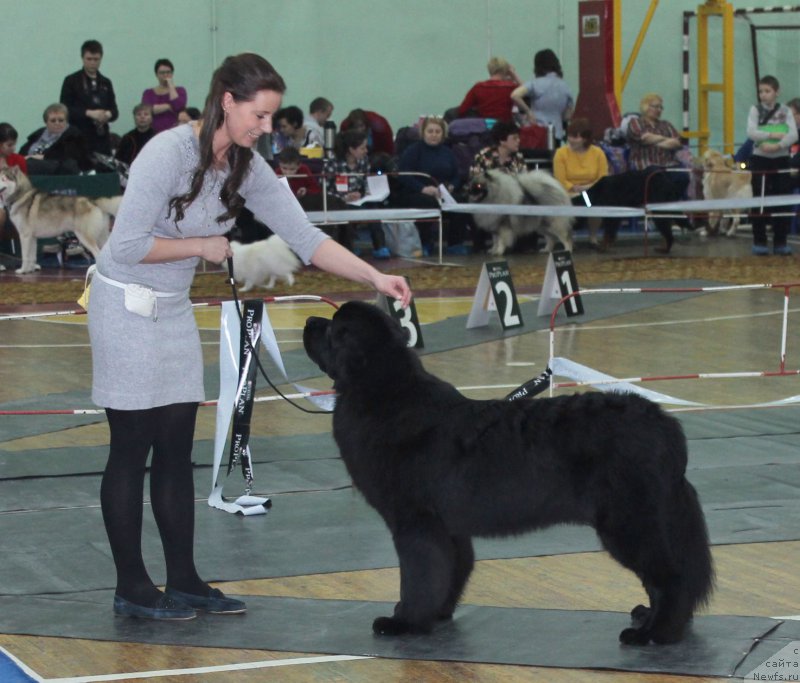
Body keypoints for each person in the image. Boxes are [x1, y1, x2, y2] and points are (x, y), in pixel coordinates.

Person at [87, 53, 410, 621]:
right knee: (131, 449)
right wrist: (202, 248)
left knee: (176, 452)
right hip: (123, 306)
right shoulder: (165, 153)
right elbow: (127, 245)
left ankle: (183, 580)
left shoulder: (247, 167)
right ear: (227, 102)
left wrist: (375, 276)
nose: (266, 128)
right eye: (259, 116)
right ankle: (132, 588)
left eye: (271, 117)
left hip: (172, 308)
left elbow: (305, 237)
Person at [626, 93, 690, 253]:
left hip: (667, 166)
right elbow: (643, 138)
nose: (659, 110)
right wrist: (664, 141)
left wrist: (655, 139)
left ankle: (667, 211)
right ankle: (673, 215)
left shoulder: (666, 125)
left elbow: (677, 143)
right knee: (656, 177)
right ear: (645, 106)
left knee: (683, 176)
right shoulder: (635, 123)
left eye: (661, 107)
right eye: (655, 106)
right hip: (645, 167)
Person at [396, 116, 466, 255]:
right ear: (423, 133)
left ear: (443, 134)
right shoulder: (413, 151)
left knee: (461, 202)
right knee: (427, 203)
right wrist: (423, 189)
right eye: (430, 131)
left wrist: (452, 186)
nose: (434, 135)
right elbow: (404, 175)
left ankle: (455, 243)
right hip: (417, 191)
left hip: (442, 192)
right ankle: (425, 243)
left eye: (437, 132)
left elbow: (457, 175)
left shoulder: (448, 153)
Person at [746, 75, 798, 255]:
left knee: (782, 199)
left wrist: (778, 145)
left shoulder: (785, 111)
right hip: (760, 159)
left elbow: (792, 134)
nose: (763, 95)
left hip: (781, 159)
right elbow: (751, 131)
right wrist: (771, 136)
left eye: (767, 91)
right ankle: (759, 240)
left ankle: (780, 241)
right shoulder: (755, 110)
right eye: (761, 91)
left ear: (777, 92)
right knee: (759, 199)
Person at [323, 129, 390, 258]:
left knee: (373, 210)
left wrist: (361, 193)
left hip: (359, 199)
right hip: (339, 201)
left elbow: (365, 183)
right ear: (351, 150)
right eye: (362, 148)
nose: (366, 151)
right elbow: (324, 188)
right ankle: (349, 246)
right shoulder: (333, 164)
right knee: (347, 211)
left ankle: (380, 245)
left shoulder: (364, 162)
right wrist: (344, 197)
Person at [552, 118, 608, 248]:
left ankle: (593, 237)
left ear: (585, 139)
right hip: (569, 192)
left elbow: (603, 177)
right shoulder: (561, 154)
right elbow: (560, 179)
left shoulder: (598, 153)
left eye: (576, 137)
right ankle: (568, 238)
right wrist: (575, 188)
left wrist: (588, 187)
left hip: (591, 191)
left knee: (593, 203)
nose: (571, 140)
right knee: (572, 203)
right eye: (570, 136)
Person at [60, 39, 118, 155]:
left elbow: (115, 110)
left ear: (101, 58)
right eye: (89, 59)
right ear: (82, 58)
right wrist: (89, 113)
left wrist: (107, 114)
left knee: (104, 169)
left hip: (101, 138)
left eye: (96, 59)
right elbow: (64, 109)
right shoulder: (71, 81)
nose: (92, 63)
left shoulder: (106, 82)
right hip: (79, 137)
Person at [510, 49, 574, 141]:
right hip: (557, 134)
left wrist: (528, 111)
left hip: (537, 133)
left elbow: (515, 95)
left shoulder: (535, 83)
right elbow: (567, 116)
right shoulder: (565, 87)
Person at [19, 103, 93, 174]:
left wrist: (43, 157)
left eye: (61, 120)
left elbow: (69, 156)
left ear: (66, 121)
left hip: (56, 168)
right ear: (46, 122)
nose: (57, 123)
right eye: (53, 120)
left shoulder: (73, 135)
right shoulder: (38, 134)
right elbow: (23, 152)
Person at [457, 56, 520, 123]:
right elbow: (528, 94)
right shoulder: (511, 87)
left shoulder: (478, 87)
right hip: (505, 127)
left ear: (489, 70)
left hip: (484, 128)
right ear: (506, 71)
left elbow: (462, 110)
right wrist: (514, 75)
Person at [141, 59, 188, 133]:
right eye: (162, 73)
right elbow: (148, 110)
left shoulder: (180, 90)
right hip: (153, 132)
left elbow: (179, 107)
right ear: (156, 74)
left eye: (168, 72)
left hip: (175, 131)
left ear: (172, 74)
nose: (165, 75)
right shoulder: (148, 93)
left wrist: (171, 86)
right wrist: (168, 106)